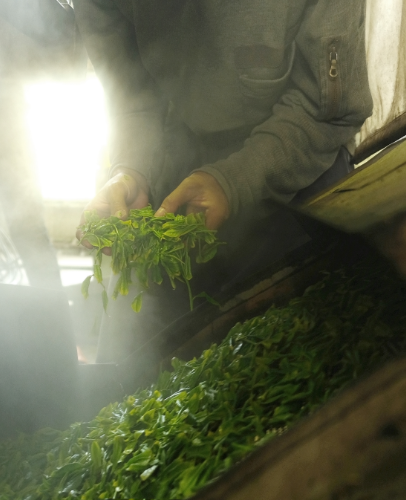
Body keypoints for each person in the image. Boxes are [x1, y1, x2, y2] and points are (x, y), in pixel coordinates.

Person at [73, 0, 373, 362]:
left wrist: (234, 181)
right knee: (129, 369)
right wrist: (131, 168)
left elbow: (327, 110)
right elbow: (132, 98)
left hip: (299, 164)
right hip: (179, 176)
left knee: (316, 353)